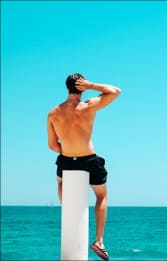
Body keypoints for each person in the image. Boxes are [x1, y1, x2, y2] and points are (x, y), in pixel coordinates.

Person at [47, 73, 121, 261]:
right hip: (89, 160)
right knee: (101, 195)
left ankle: (70, 213)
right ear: (82, 88)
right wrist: (92, 85)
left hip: (66, 160)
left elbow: (52, 145)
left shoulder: (53, 113)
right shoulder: (89, 105)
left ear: (66, 88)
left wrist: (69, 150)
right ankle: (99, 240)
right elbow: (116, 91)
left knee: (60, 182)